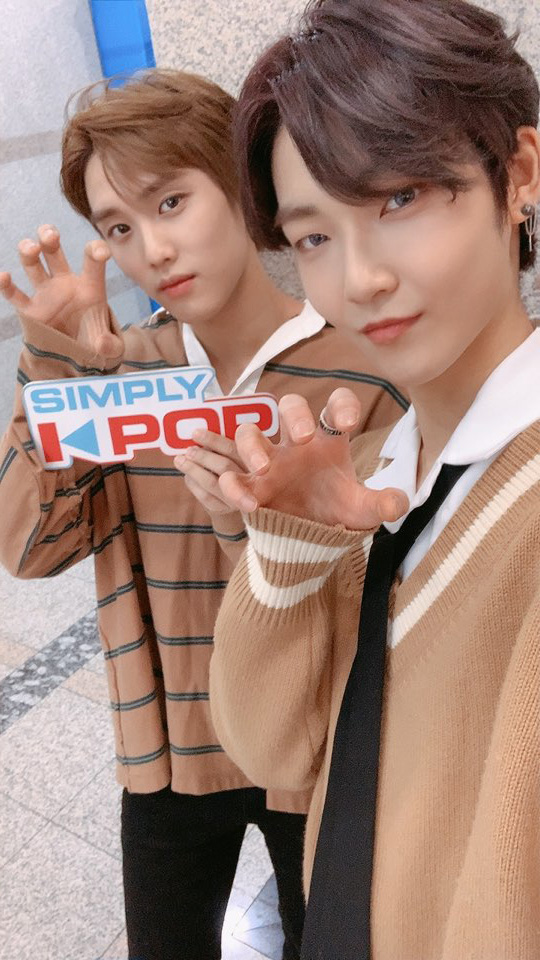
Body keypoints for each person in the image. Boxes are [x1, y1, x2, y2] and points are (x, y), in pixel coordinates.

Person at [0, 69, 404, 960]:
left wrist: (264, 514)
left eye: (171, 201)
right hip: (171, 754)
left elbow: (383, 584)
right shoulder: (120, 380)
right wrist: (52, 366)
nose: (152, 249)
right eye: (118, 227)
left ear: (241, 188)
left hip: (316, 753)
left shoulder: (363, 370)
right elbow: (29, 548)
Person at [207, 2, 540, 958]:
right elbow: (275, 749)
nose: (359, 280)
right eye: (313, 236)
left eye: (398, 198)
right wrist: (288, 542)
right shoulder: (371, 471)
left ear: (519, 174)